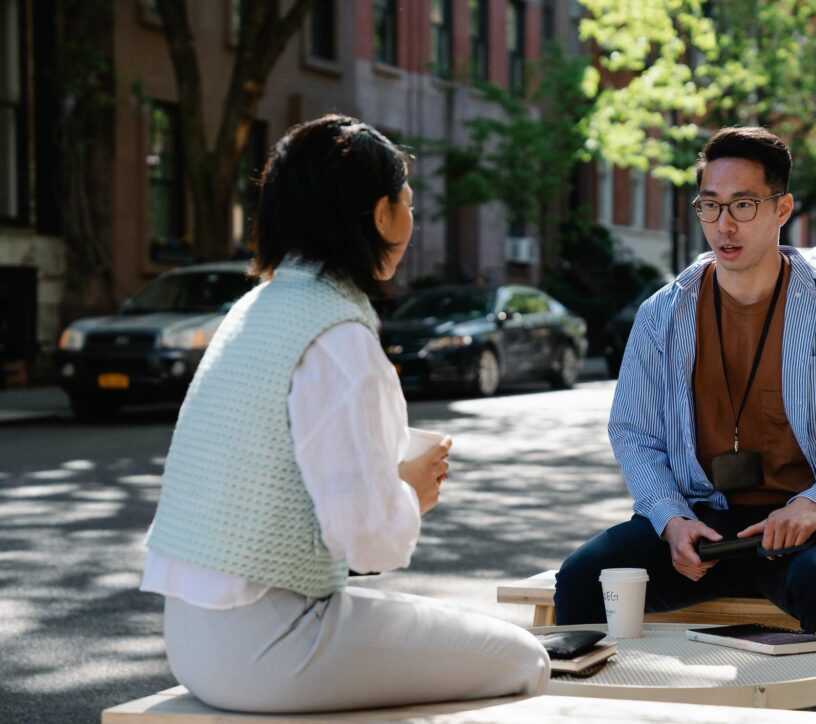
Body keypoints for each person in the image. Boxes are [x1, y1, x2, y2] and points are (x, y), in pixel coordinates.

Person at [141, 115, 549, 714]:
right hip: (273, 648)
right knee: (524, 660)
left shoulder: (255, 308)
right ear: (380, 215)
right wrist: (408, 492)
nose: (411, 224)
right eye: (407, 204)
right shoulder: (338, 336)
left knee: (444, 633)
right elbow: (368, 543)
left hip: (192, 640)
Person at [554, 126, 816, 713]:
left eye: (743, 205)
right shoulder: (662, 314)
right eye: (710, 206)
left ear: (781, 209)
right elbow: (633, 432)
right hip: (698, 523)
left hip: (801, 528)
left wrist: (813, 504)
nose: (725, 224)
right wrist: (668, 519)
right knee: (583, 576)